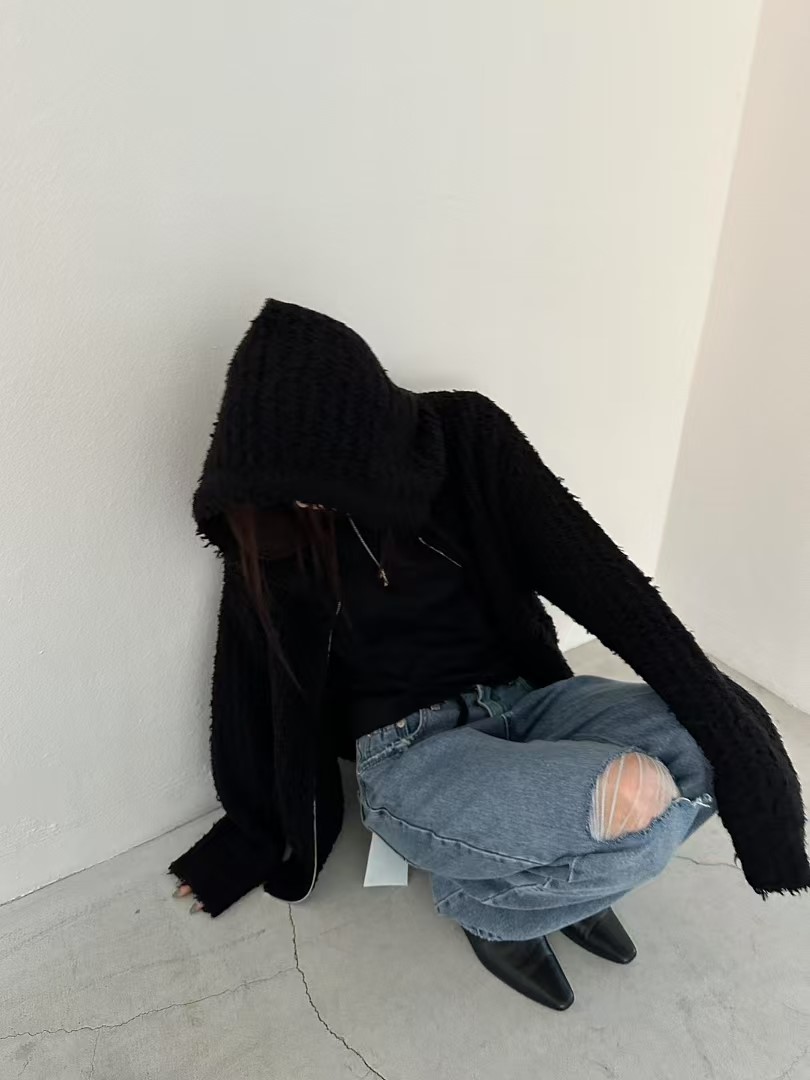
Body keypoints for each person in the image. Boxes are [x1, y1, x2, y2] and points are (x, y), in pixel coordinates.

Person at [169, 298, 808, 1010]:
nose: (308, 505)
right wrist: (250, 837)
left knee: (722, 736)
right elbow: (249, 688)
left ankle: (527, 881)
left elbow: (608, 585)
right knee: (635, 805)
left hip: (530, 705)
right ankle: (493, 912)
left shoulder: (466, 441)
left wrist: (749, 762)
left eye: (315, 481)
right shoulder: (272, 526)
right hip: (413, 753)